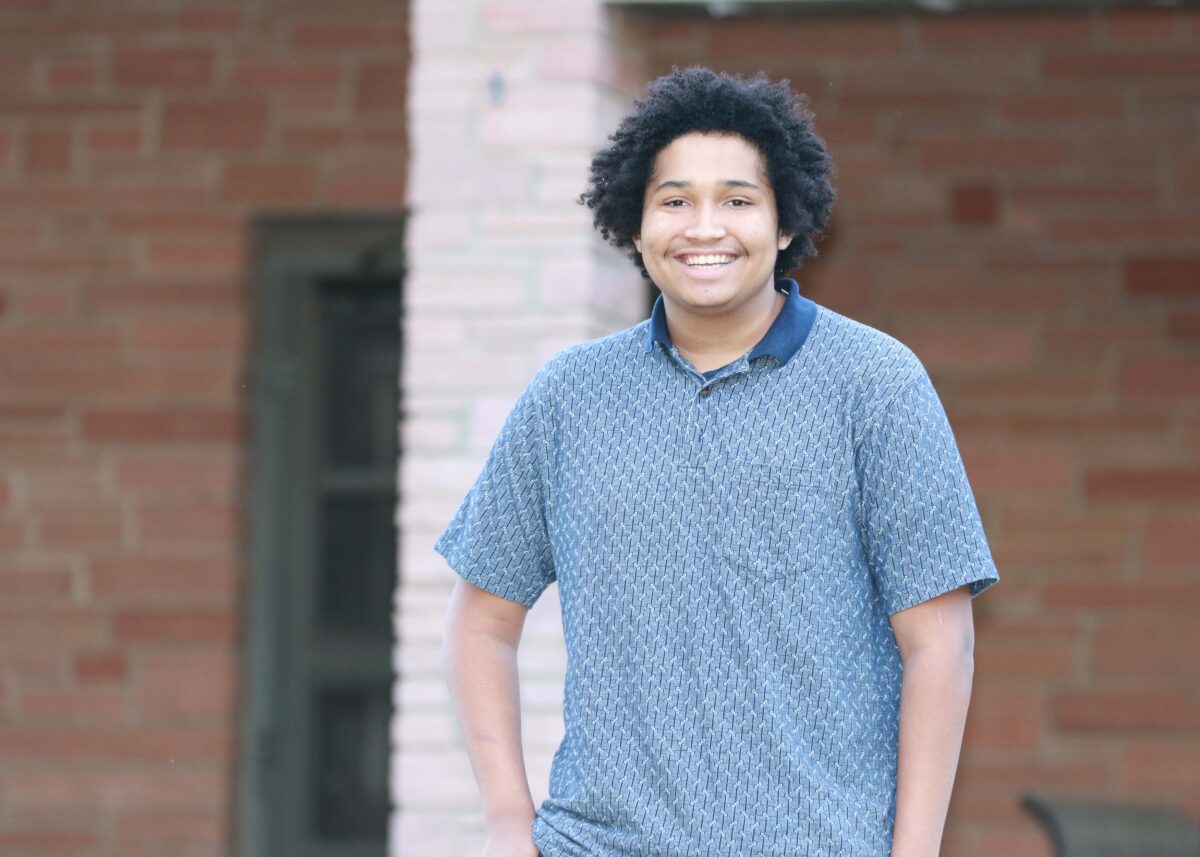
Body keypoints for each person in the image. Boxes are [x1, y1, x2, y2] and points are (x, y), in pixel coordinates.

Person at [438, 66, 999, 857]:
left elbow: (941, 645)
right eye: (674, 201)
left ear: (784, 225)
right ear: (635, 226)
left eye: (737, 200)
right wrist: (506, 823)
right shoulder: (570, 396)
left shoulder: (876, 385)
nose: (705, 227)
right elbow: (479, 623)